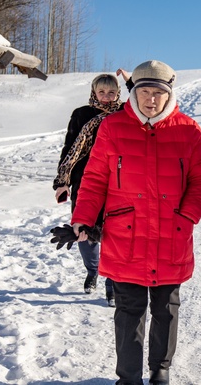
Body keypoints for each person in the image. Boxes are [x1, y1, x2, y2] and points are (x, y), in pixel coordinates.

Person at [71, 60, 201, 385]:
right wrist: (83, 218)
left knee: (166, 308)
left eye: (158, 93)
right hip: (125, 235)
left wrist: (187, 216)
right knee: (128, 311)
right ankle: (128, 377)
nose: (151, 99)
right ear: (134, 93)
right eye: (145, 91)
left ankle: (160, 371)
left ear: (169, 94)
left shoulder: (187, 130)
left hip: (171, 234)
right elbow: (94, 179)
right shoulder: (112, 127)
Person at [53, 71, 132, 307]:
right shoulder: (82, 114)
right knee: (84, 231)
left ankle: (111, 285)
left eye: (112, 92)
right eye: (102, 92)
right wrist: (62, 181)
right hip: (85, 180)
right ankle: (92, 270)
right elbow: (70, 148)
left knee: (112, 232)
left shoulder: (126, 113)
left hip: (117, 181)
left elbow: (142, 96)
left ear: (118, 93)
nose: (107, 97)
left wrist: (130, 81)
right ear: (93, 92)